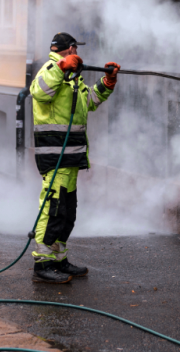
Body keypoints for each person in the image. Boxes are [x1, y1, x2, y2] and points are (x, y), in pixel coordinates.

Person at [29, 32, 120, 284]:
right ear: (70, 50)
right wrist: (60, 68)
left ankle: (59, 261)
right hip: (55, 156)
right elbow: (38, 92)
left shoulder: (72, 79)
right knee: (52, 209)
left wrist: (108, 81)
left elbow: (89, 100)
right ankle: (43, 264)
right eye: (75, 51)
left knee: (67, 213)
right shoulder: (51, 69)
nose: (78, 55)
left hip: (70, 157)